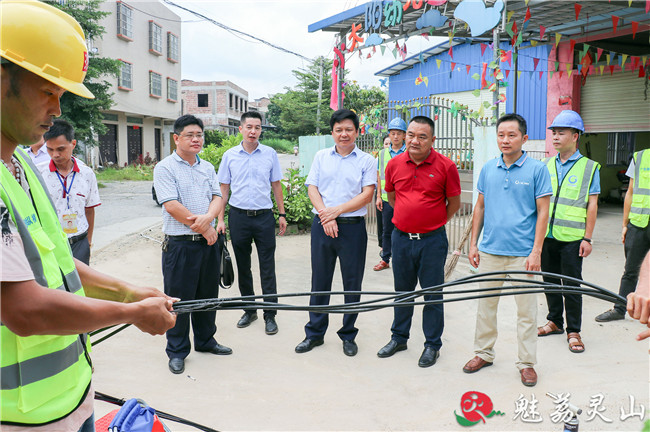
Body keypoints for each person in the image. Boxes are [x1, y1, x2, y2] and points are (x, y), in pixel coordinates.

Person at [0, 2, 176, 429]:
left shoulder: (21, 165)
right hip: (22, 415)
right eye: (48, 91)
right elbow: (25, 309)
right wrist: (131, 314)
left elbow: (58, 261)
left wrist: (127, 292)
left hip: (71, 392)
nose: (57, 109)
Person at [463, 113, 551, 387]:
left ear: (524, 138)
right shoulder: (489, 168)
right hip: (490, 252)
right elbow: (480, 206)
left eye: (511, 135)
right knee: (485, 307)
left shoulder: (537, 170)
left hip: (523, 255)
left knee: (526, 312)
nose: (505, 140)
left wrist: (536, 251)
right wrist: (473, 243)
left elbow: (543, 212)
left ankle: (526, 363)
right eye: (501, 135)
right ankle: (484, 353)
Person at [376, 116, 461, 367]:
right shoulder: (394, 164)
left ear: (432, 140)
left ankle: (432, 345)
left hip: (432, 242)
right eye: (410, 134)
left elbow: (453, 204)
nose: (414, 140)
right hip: (401, 239)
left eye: (421, 136)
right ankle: (399, 338)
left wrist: (431, 223)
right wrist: (410, 219)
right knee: (402, 293)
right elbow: (391, 197)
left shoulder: (446, 166)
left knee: (432, 294)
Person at [295, 109, 376, 357]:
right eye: (339, 129)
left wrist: (335, 212)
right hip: (323, 227)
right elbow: (312, 188)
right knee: (320, 281)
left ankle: (348, 334)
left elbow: (367, 194)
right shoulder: (321, 156)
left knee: (352, 284)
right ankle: (314, 334)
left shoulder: (367, 161)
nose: (344, 134)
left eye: (348, 129)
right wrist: (324, 215)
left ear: (357, 132)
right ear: (332, 132)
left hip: (352, 228)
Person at [154, 114, 231, 375]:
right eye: (190, 135)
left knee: (208, 296)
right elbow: (171, 205)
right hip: (180, 245)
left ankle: (206, 341)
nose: (196, 139)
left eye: (199, 134)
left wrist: (209, 219)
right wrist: (204, 227)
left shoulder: (207, 167)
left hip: (208, 244)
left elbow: (217, 196)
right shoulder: (165, 168)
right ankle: (177, 351)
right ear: (176, 138)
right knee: (178, 300)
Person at [217, 111, 286, 335]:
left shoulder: (270, 154)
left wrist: (282, 214)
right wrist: (220, 219)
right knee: (243, 266)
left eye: (257, 127)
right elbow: (223, 189)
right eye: (249, 127)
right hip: (238, 217)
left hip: (264, 217)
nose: (253, 131)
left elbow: (276, 185)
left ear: (261, 130)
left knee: (268, 266)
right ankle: (249, 309)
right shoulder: (229, 156)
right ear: (241, 129)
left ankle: (270, 314)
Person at [537, 110, 600, 354]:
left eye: (561, 132)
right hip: (547, 236)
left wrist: (588, 237)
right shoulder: (546, 165)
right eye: (553, 132)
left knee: (572, 285)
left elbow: (592, 204)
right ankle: (554, 321)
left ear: (575, 136)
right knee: (549, 282)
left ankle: (574, 330)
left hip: (573, 239)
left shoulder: (589, 167)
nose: (555, 137)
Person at [596, 147, 650, 322]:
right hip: (638, 223)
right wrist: (625, 224)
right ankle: (619, 308)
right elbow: (631, 192)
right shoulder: (640, 157)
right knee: (631, 270)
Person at [39, 119, 101, 265]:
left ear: (73, 144)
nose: (55, 155)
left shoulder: (87, 174)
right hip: (51, 244)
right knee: (54, 286)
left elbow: (89, 209)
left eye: (60, 149)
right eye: (50, 149)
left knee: (80, 285)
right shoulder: (38, 173)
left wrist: (88, 242)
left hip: (79, 242)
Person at [373, 118, 408, 272]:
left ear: (404, 135)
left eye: (398, 133)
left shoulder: (410, 152)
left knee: (405, 229)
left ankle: (404, 258)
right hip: (388, 199)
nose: (395, 136)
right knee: (387, 230)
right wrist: (379, 196)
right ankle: (385, 258)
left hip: (406, 200)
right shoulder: (382, 154)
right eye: (393, 133)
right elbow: (379, 176)